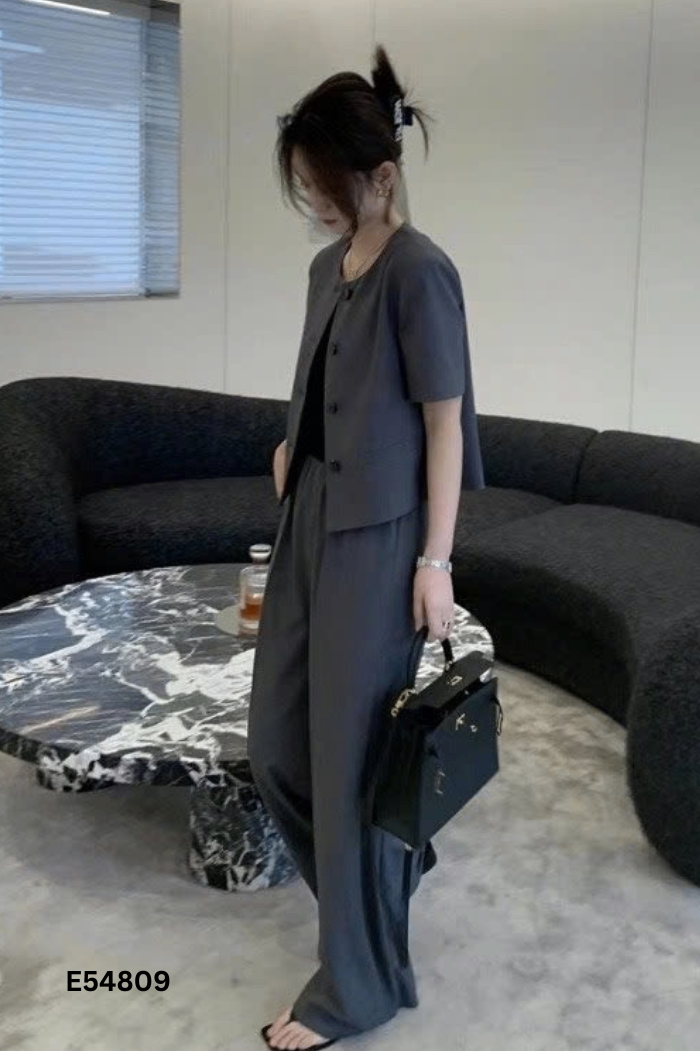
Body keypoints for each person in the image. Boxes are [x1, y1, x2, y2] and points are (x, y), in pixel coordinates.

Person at [247, 45, 485, 1051]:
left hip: (379, 542)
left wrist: (434, 562)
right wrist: (293, 447)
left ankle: (354, 988)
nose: (313, 203)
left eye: (323, 185)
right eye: (305, 186)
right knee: (276, 748)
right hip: (306, 518)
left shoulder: (421, 272)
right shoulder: (324, 269)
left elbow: (444, 424)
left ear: (380, 175)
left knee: (347, 762)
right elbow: (324, 383)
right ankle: (385, 874)